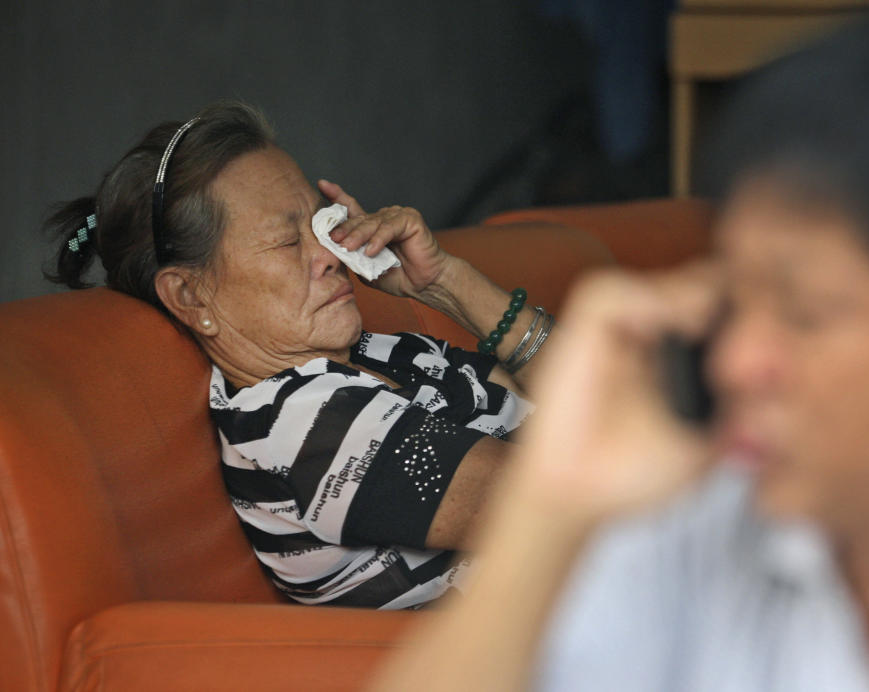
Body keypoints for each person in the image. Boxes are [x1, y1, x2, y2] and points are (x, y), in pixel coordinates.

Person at [370, 6, 869, 690]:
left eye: (804, 314)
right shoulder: (701, 529)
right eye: (734, 303)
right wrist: (548, 509)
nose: (735, 362)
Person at [44, 101, 554, 609]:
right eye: (289, 242)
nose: (330, 254)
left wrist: (445, 282)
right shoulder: (304, 424)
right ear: (192, 297)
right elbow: (587, 494)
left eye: (321, 225)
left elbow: (606, 414)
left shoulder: (378, 355)